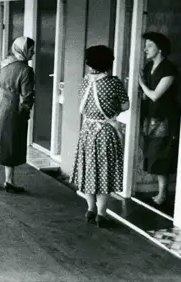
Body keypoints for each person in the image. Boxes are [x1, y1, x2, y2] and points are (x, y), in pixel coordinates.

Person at [70, 45, 130, 228]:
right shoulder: (114, 83)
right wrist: (114, 110)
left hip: (87, 131)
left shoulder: (85, 82)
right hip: (105, 132)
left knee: (88, 170)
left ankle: (90, 208)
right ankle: (102, 214)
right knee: (105, 173)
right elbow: (125, 105)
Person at [0, 36, 35, 193]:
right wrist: (25, 114)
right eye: (31, 50)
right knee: (11, 143)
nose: (33, 53)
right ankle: (9, 181)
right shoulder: (26, 71)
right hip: (12, 109)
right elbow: (27, 96)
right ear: (24, 50)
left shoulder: (4, 63)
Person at [138, 32, 180, 207]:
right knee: (151, 152)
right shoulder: (149, 67)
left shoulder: (169, 70)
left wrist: (141, 84)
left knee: (161, 154)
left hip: (165, 119)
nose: (145, 49)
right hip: (150, 117)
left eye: (150, 45)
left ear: (160, 49)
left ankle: (163, 193)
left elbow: (155, 95)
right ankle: (160, 191)